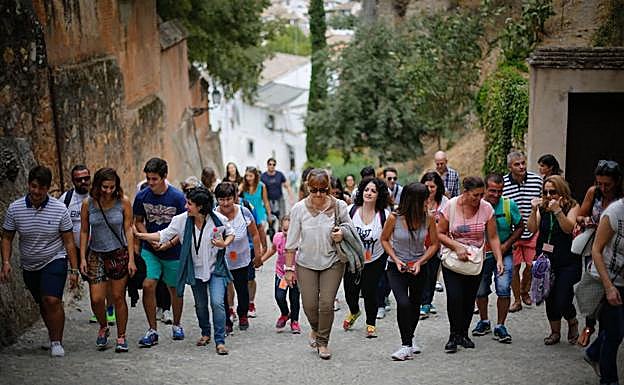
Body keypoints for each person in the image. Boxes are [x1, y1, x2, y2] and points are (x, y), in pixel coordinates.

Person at [136, 187, 235, 355]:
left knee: (217, 303)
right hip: (194, 270)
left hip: (215, 269)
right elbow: (163, 235)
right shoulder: (181, 220)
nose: (186, 206)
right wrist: (141, 235)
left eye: (189, 204)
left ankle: (220, 340)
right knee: (201, 305)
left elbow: (231, 233)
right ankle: (205, 333)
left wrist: (225, 244)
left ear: (201, 207)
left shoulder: (218, 219)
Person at [1, 165, 79, 357]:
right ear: (29, 185)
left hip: (54, 258)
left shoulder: (60, 209)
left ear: (47, 188)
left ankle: (56, 342)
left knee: (52, 300)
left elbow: (69, 242)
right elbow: (7, 237)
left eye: (41, 188)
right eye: (33, 186)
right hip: (29, 264)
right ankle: (52, 335)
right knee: (43, 303)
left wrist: (74, 270)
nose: (36, 191)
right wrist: (6, 262)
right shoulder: (15, 208)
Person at [284, 168, 354, 359]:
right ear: (308, 187)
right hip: (306, 263)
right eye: (314, 190)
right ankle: (315, 328)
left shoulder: (339, 206)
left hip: (332, 261)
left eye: (323, 190)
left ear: (328, 188)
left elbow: (350, 229)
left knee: (326, 303)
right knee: (309, 305)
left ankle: (323, 342)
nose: (318, 194)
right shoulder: (298, 209)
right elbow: (290, 243)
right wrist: (288, 269)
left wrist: (342, 234)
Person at [438, 176, 504, 353]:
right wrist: (457, 246)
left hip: (475, 260)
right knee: (455, 297)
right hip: (453, 260)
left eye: (481, 195)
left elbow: (493, 236)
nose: (479, 199)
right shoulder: (451, 206)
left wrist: (498, 259)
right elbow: (440, 233)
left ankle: (464, 334)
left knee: (468, 298)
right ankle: (453, 335)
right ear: (465, 192)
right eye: (475, 195)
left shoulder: (486, 208)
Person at [79, 168, 136, 352]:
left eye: (112, 187)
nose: (108, 190)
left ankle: (121, 336)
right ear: (98, 185)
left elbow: (128, 230)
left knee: (119, 297)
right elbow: (84, 231)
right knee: (96, 299)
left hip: (118, 253)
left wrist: (131, 258)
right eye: (105, 187)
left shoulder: (123, 202)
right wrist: (82, 258)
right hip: (96, 253)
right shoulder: (89, 204)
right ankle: (103, 326)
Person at [380, 183, 440, 360]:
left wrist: (421, 261)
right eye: (424, 200)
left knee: (414, 304)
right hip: (396, 266)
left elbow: (435, 244)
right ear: (414, 201)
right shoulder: (394, 218)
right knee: (403, 303)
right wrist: (396, 259)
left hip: (418, 267)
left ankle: (410, 338)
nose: (428, 203)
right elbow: (384, 240)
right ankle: (406, 345)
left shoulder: (428, 218)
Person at [133, 158, 187, 347]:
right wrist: (148, 237)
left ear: (164, 177)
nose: (150, 183)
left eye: (154, 179)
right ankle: (152, 329)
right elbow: (138, 220)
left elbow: (183, 228)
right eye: (148, 178)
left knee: (174, 289)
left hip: (173, 251)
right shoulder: (142, 197)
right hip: (151, 250)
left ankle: (177, 324)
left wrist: (167, 243)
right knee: (148, 285)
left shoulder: (178, 198)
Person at [527, 175, 581, 345]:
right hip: (546, 259)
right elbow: (531, 228)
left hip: (567, 260)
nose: (549, 195)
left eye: (553, 192)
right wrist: (533, 210)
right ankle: (555, 332)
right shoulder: (543, 207)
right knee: (549, 296)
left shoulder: (572, 206)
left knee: (563, 296)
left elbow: (568, 229)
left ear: (562, 191)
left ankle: (572, 321)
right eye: (546, 192)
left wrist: (558, 211)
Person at [60, 165, 117, 325]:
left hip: (101, 245)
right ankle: (99, 309)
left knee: (108, 278)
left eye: (86, 178)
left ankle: (110, 309)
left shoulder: (99, 196)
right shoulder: (66, 199)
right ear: (73, 181)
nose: (84, 181)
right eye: (79, 179)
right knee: (93, 280)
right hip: (79, 248)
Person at [471, 174, 523, 343]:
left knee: (503, 288)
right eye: (492, 190)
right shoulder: (477, 206)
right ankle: (484, 321)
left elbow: (520, 227)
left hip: (504, 253)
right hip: (482, 254)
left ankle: (500, 325)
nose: (496, 194)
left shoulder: (509, 205)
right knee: (480, 289)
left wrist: (507, 244)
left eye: (500, 191)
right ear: (485, 189)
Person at [576, 160, 623, 346]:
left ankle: (605, 333)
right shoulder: (593, 192)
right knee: (595, 289)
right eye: (599, 183)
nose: (603, 187)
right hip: (594, 246)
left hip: (616, 249)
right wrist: (585, 220)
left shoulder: (620, 200)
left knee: (610, 293)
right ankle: (589, 326)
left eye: (607, 184)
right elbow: (580, 215)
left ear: (617, 181)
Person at [342, 177, 391, 338]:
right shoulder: (350, 210)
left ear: (379, 195)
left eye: (373, 191)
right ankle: (354, 312)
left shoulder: (384, 215)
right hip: (353, 260)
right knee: (350, 291)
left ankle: (371, 323)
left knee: (370, 292)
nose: (369, 193)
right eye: (367, 190)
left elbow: (389, 238)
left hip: (375, 260)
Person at [585, 194, 624, 385]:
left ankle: (593, 352)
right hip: (608, 278)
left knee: (616, 330)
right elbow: (596, 250)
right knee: (614, 332)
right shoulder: (615, 212)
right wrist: (608, 287)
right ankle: (609, 381)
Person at [214, 182, 262, 332]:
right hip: (222, 261)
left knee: (242, 291)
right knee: (222, 292)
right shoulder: (214, 214)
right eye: (222, 199)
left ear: (234, 197)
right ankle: (227, 319)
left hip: (242, 260)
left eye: (228, 199)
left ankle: (242, 314)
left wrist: (259, 255)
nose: (225, 203)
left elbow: (254, 234)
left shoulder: (244, 212)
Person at [503, 151, 543, 312]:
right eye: (517, 164)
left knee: (531, 266)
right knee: (514, 267)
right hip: (512, 233)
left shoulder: (536, 181)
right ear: (509, 167)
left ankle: (525, 290)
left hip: (532, 231)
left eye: (523, 163)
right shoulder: (504, 183)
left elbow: (542, 201)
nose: (521, 167)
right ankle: (517, 299)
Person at [259, 215, 302, 334]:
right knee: (279, 296)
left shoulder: (300, 239)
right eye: (284, 230)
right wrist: (261, 260)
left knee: (294, 299)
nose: (287, 233)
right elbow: (273, 250)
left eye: (290, 230)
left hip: (296, 274)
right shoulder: (278, 237)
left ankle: (294, 321)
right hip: (281, 273)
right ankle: (284, 313)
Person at [419, 171, 449, 319]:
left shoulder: (444, 202)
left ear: (438, 187)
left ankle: (426, 303)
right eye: (427, 186)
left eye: (432, 187)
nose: (429, 190)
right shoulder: (418, 199)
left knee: (431, 274)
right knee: (420, 274)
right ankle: (422, 301)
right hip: (419, 243)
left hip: (436, 243)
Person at [240, 166, 270, 251]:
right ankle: (254, 254)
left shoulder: (262, 186)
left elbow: (266, 201)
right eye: (246, 176)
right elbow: (235, 194)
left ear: (255, 176)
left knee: (259, 234)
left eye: (250, 176)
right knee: (251, 237)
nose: (248, 178)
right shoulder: (243, 186)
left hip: (260, 214)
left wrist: (269, 214)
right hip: (248, 214)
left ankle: (262, 251)